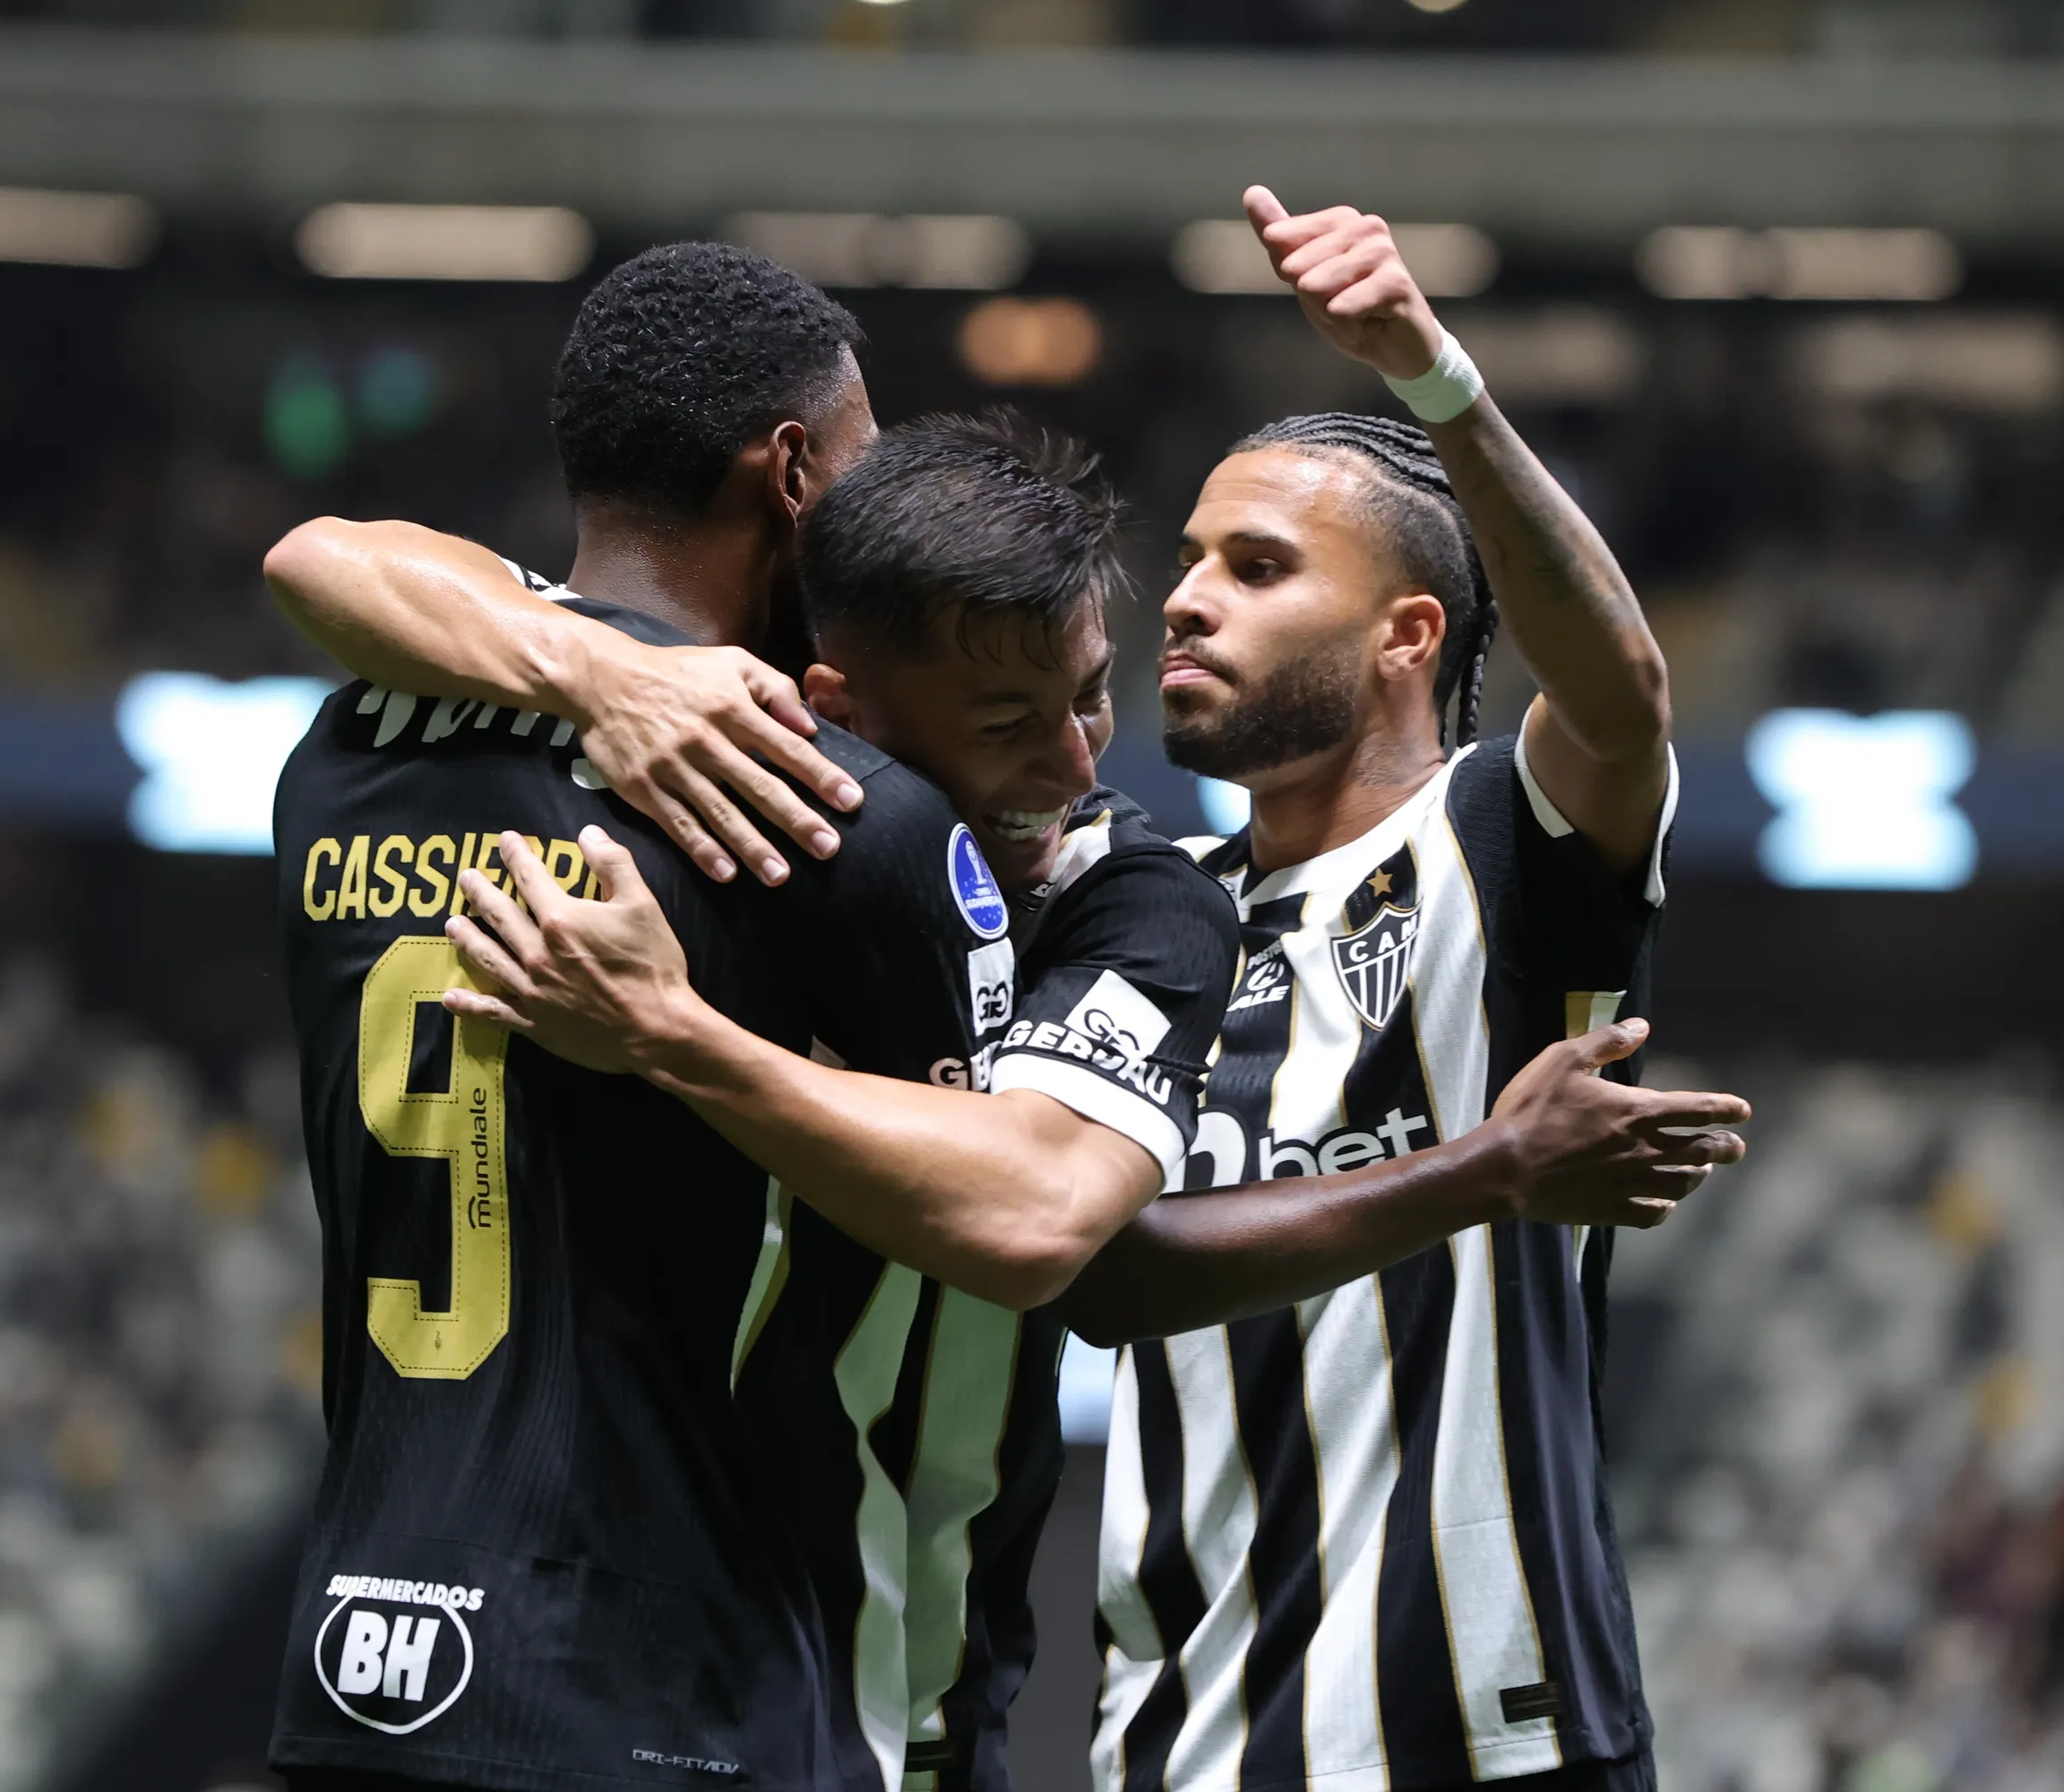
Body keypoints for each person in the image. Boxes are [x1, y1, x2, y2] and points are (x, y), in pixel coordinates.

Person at [262, 244, 1149, 1792]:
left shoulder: (340, 747)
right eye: (864, 461)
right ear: (796, 473)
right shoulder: (826, 810)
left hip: (357, 1666)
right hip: (663, 1678)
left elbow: (324, 553)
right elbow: (1018, 1210)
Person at [1088, 187, 1690, 1792]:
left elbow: (1621, 695)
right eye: (1194, 557)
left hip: (1489, 1748)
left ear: (1404, 637)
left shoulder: (1499, 844)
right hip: (1182, 1748)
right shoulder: (1144, 919)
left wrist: (1434, 376)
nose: (1187, 595)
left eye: (1259, 565)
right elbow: (1094, 1268)